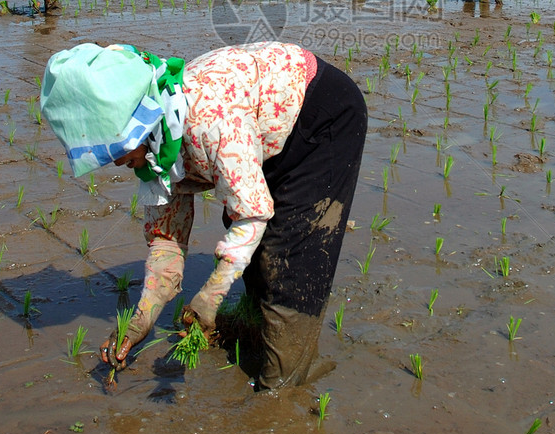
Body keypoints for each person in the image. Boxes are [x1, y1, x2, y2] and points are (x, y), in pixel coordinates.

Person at [40, 40, 367, 390]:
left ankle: (283, 389)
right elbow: (167, 242)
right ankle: (258, 335)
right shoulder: (159, 146)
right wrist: (140, 321)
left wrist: (211, 294)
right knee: (252, 241)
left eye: (116, 150)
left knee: (288, 254)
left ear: (138, 123)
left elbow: (252, 216)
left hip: (321, 116)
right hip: (265, 128)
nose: (117, 163)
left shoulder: (209, 120)